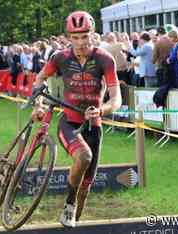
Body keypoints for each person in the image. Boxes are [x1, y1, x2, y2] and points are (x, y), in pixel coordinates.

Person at [31, 11, 121, 228]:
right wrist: (38, 104)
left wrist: (102, 111)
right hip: (69, 121)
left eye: (84, 36)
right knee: (83, 156)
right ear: (68, 37)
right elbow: (40, 78)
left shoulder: (104, 59)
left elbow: (116, 98)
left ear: (93, 34)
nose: (80, 42)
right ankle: (68, 206)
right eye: (75, 37)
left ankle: (75, 210)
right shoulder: (60, 58)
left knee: (86, 185)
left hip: (93, 124)